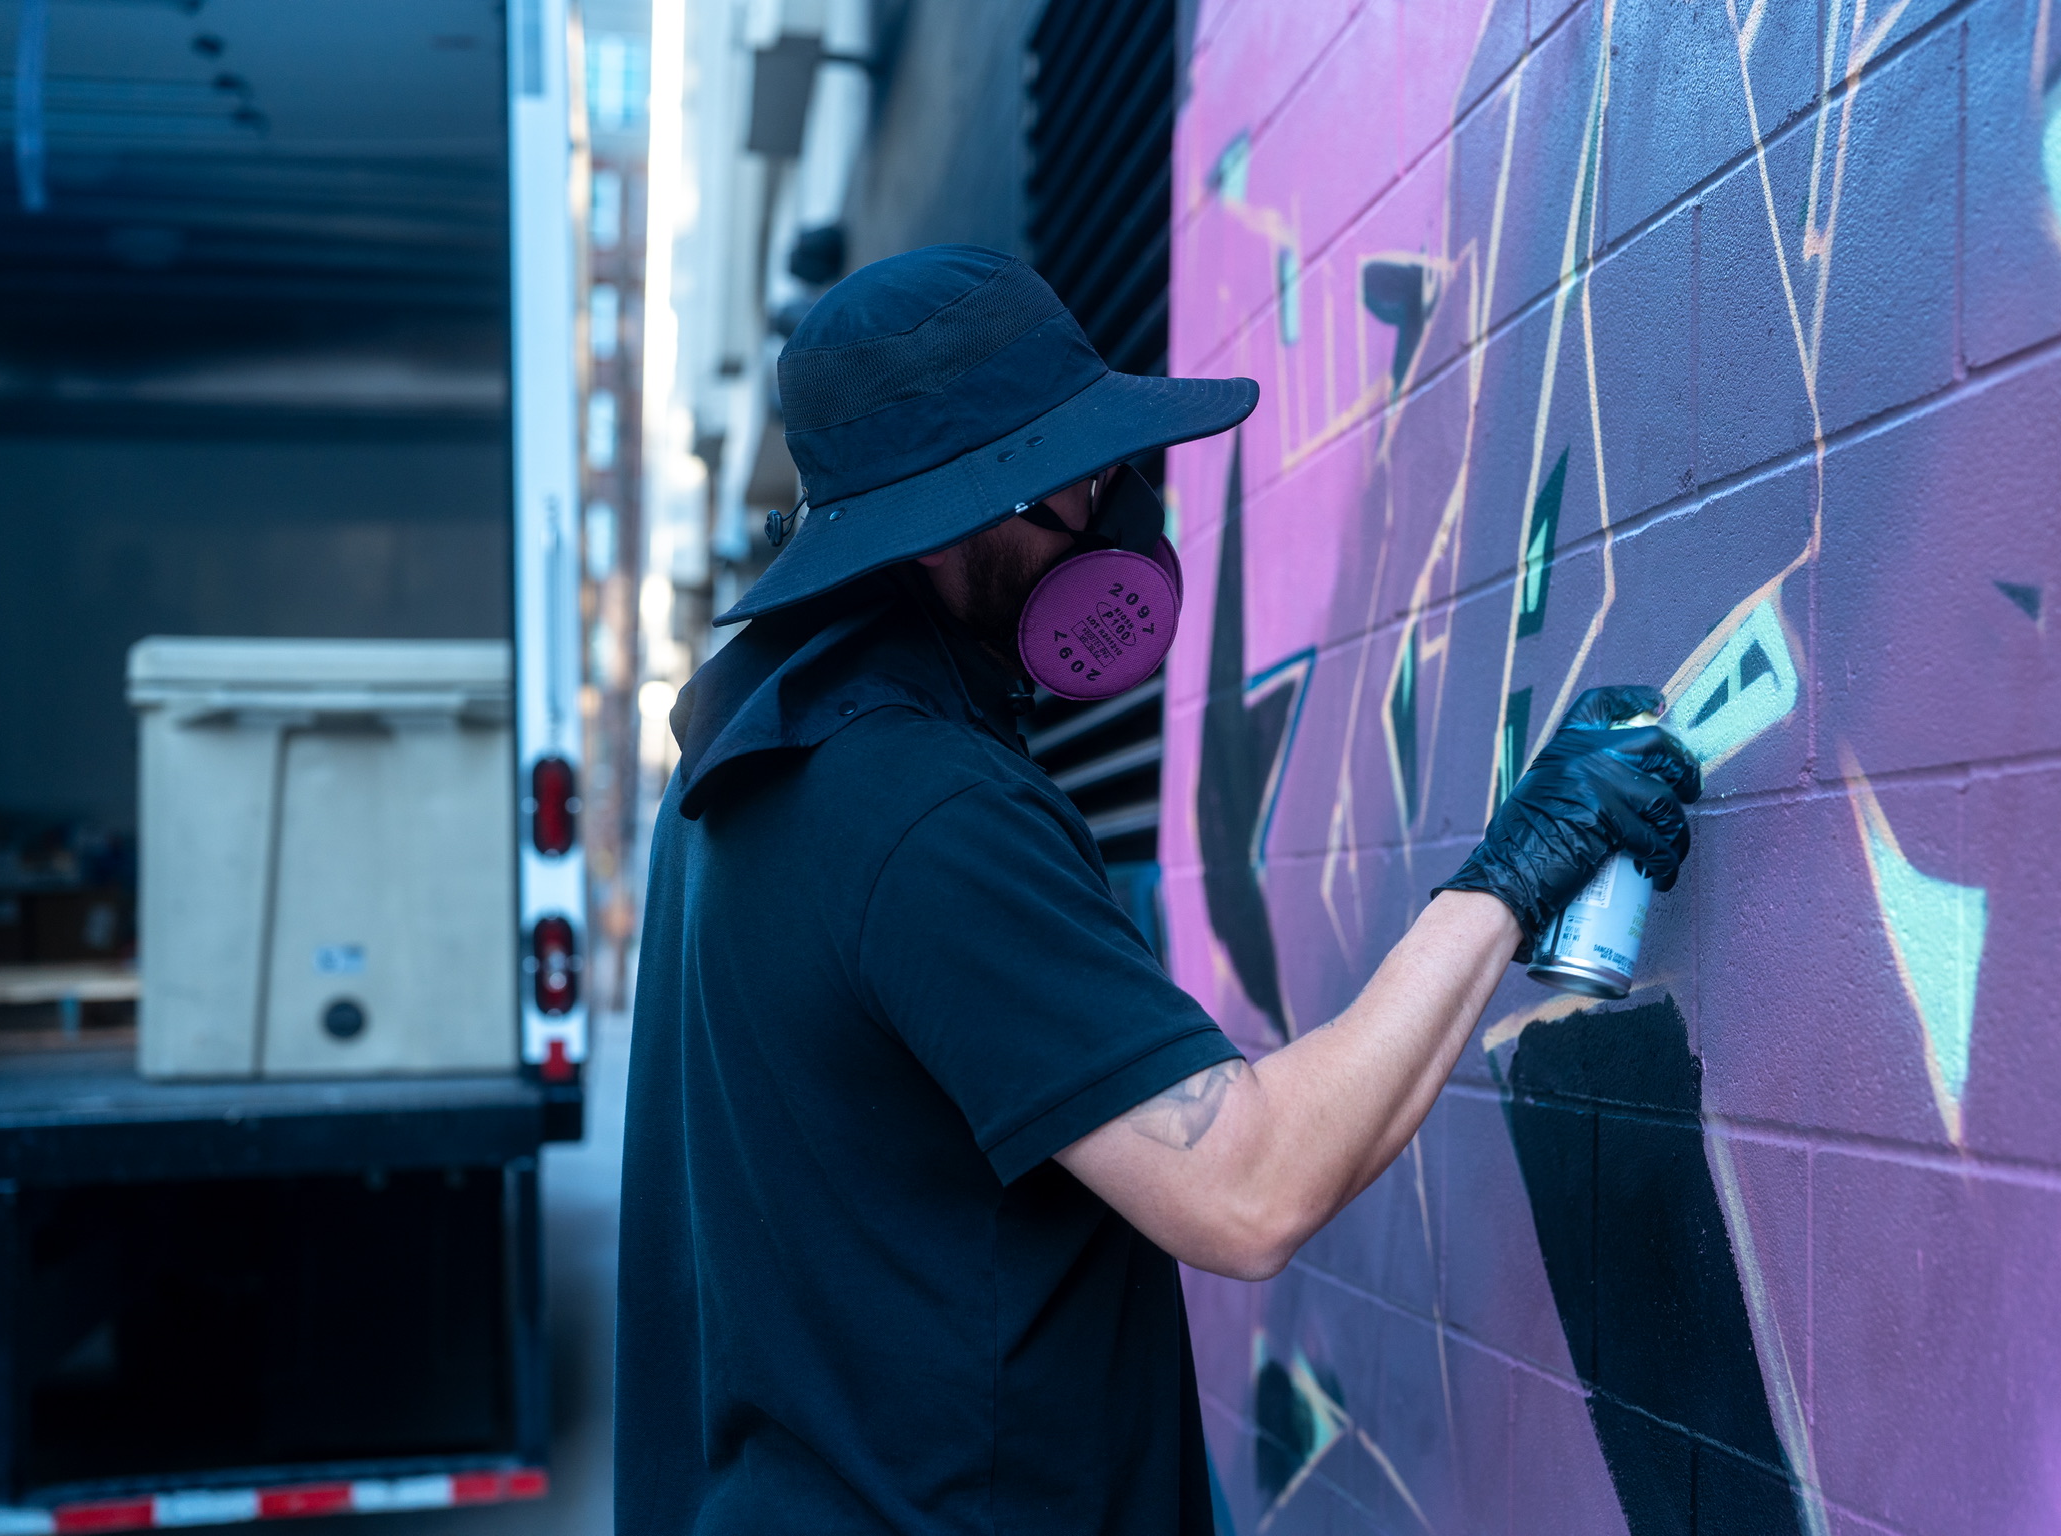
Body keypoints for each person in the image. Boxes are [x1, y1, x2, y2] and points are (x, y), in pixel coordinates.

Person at [615, 245, 1700, 1535]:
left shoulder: (748, 769)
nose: (1112, 504)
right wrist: (1522, 869)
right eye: (1074, 475)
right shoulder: (919, 809)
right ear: (966, 514)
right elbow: (1247, 1188)